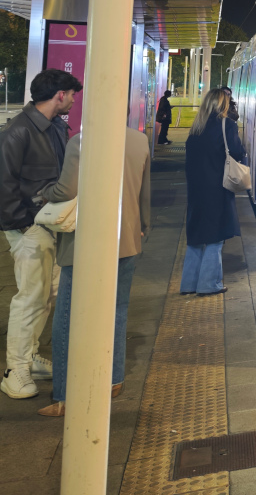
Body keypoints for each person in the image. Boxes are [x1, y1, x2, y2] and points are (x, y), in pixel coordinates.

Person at [36, 123, 152, 417]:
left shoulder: (81, 142)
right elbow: (144, 192)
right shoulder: (140, 141)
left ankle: (63, 395)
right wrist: (142, 227)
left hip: (84, 245)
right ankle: (114, 379)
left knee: (67, 318)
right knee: (118, 311)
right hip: (126, 240)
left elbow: (66, 189)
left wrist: (44, 190)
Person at [0, 69, 82, 399]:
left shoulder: (55, 128)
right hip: (30, 226)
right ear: (59, 95)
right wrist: (23, 224)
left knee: (46, 296)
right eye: (72, 94)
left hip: (50, 225)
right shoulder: (17, 132)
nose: (75, 100)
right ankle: (14, 370)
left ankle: (29, 358)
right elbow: (3, 183)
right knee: (31, 298)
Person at [182, 88, 245, 296]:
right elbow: (237, 152)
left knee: (196, 236)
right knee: (216, 237)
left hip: (196, 189)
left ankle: (189, 283)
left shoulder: (196, 127)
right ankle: (209, 283)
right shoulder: (227, 125)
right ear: (223, 104)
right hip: (217, 188)